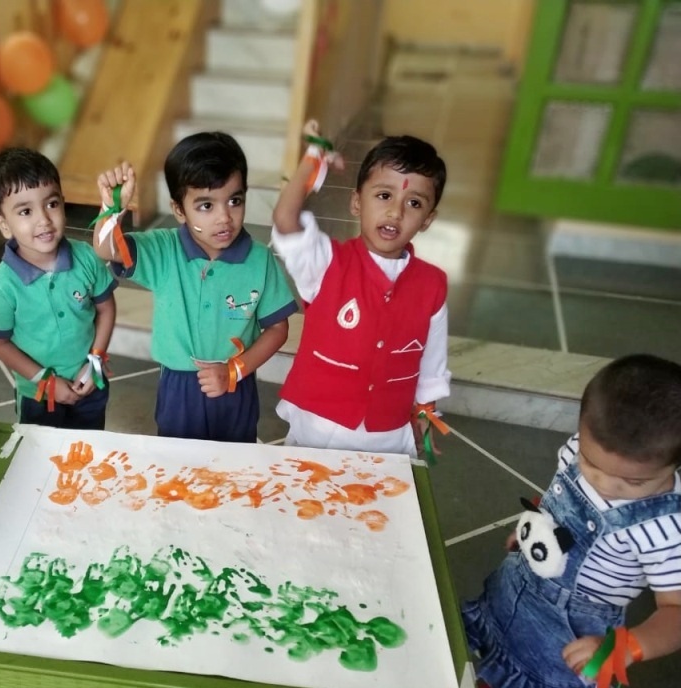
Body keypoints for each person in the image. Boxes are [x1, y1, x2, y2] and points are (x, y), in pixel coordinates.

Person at [462, 354, 681, 688]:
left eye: (633, 482)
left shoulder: (666, 529)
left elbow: (676, 610)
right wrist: (536, 529)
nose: (604, 485)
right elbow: (561, 499)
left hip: (565, 640)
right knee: (490, 661)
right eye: (591, 465)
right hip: (511, 593)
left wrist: (629, 646)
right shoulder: (579, 448)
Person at [94, 132, 298, 443]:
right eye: (206, 205)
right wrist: (112, 210)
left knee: (235, 461)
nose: (224, 217)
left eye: (235, 201)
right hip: (179, 389)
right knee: (180, 462)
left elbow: (278, 329)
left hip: (236, 383)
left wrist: (234, 371)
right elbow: (107, 249)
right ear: (179, 210)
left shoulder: (259, 260)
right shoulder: (163, 250)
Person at [271, 119, 450, 457]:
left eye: (414, 203)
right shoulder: (325, 263)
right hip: (318, 426)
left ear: (428, 219)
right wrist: (313, 157)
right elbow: (285, 219)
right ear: (356, 202)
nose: (395, 211)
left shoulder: (432, 285)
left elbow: (432, 363)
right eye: (384, 195)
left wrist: (425, 414)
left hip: (388, 434)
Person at [0, 147, 117, 430]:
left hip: (90, 382)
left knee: (91, 446)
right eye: (26, 211)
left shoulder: (86, 257)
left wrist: (95, 360)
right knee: (43, 452)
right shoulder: (1, 287)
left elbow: (106, 308)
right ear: (4, 224)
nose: (43, 219)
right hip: (38, 396)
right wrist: (46, 381)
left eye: (52, 204)